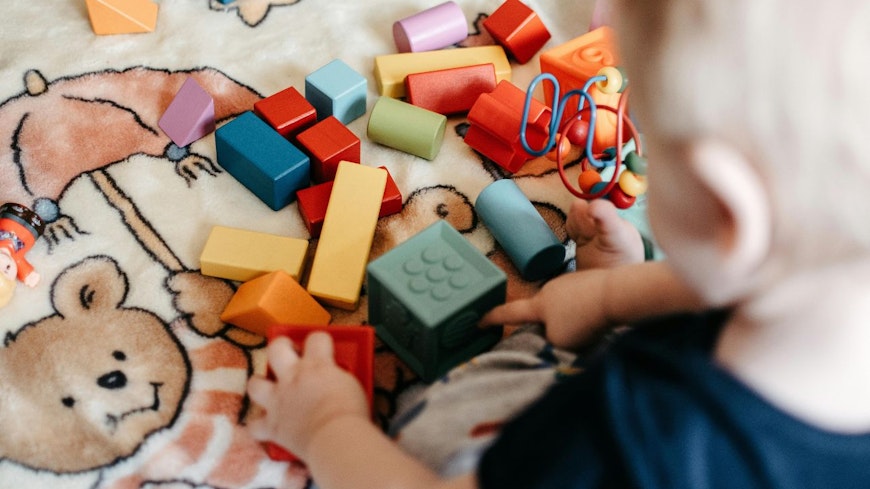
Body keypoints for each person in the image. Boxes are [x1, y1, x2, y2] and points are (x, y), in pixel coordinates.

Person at [246, 0, 870, 487]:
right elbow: (749, 287)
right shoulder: (832, 281)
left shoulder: (623, 443)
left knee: (433, 438)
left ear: (724, 211)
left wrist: (327, 426)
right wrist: (606, 298)